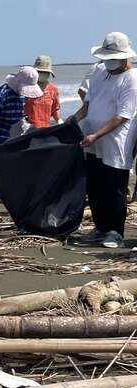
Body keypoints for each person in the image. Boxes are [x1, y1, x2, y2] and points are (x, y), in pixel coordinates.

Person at [74, 32, 137, 248]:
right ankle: (100, 228)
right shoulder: (101, 71)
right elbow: (88, 104)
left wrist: (96, 135)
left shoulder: (132, 78)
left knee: (114, 187)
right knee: (95, 185)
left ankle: (115, 232)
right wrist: (73, 121)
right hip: (92, 141)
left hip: (115, 142)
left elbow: (123, 115)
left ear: (124, 57)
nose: (110, 63)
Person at [0, 66, 43, 221]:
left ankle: (11, 201)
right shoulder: (1, 94)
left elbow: (18, 118)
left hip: (9, 136)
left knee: (12, 171)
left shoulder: (20, 95)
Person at [25, 55, 63, 128]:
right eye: (40, 72)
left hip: (45, 129)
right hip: (27, 130)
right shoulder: (26, 87)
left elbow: (55, 109)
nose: (43, 74)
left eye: (45, 72)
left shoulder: (53, 89)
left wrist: (59, 120)